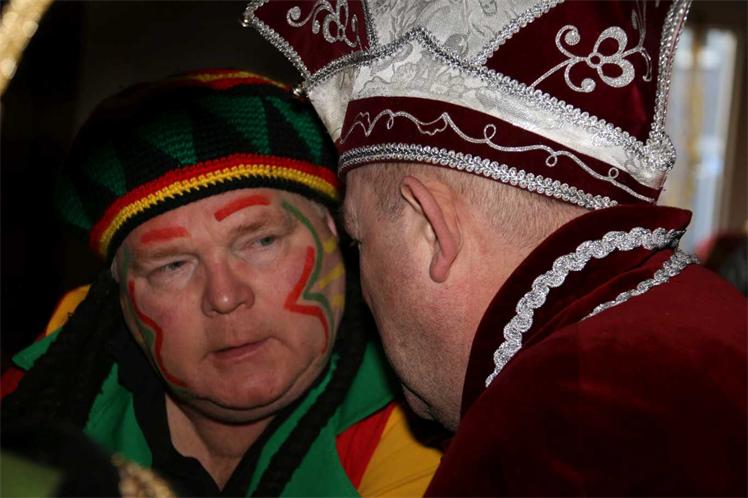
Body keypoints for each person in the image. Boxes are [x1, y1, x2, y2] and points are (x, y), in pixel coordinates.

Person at [244, 1, 748, 495]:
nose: (361, 288)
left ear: (431, 228)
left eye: (358, 240)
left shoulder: (548, 425)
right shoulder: (709, 315)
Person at [1, 69, 441, 496]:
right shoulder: (48, 388)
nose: (225, 297)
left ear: (335, 230)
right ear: (119, 292)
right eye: (172, 265)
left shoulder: (431, 422)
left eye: (261, 241)